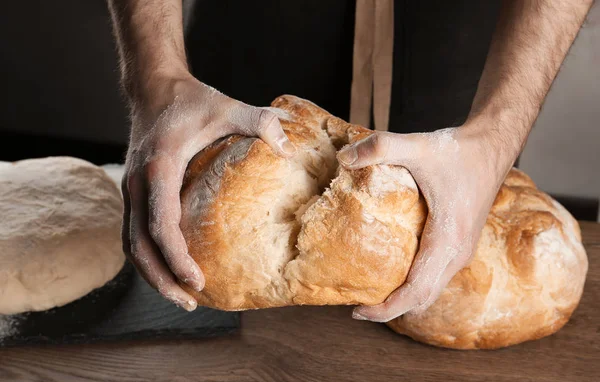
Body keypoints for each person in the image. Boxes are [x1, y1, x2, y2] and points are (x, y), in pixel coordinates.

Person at [107, 0, 593, 322]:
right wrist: (158, 80)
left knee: (433, 273)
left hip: (469, 65)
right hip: (252, 54)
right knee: (206, 258)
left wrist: (494, 137)